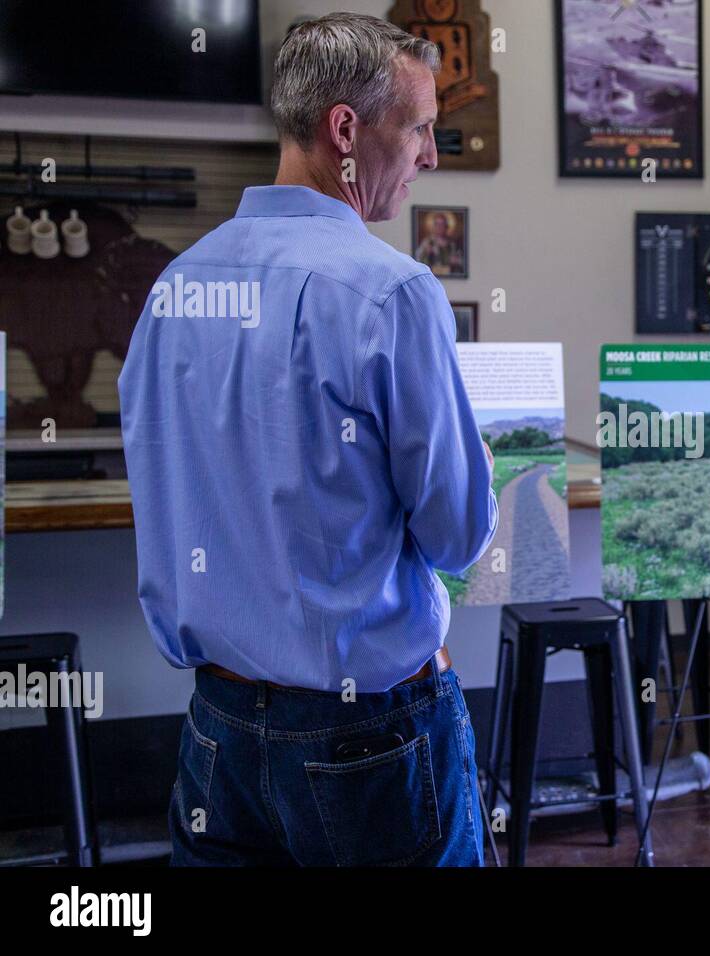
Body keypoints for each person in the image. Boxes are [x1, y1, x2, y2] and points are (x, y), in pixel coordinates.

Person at [118, 13, 497, 866]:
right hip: (368, 740)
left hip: (216, 731)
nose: (431, 156)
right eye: (422, 129)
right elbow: (458, 533)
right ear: (346, 131)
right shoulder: (392, 294)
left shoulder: (173, 288)